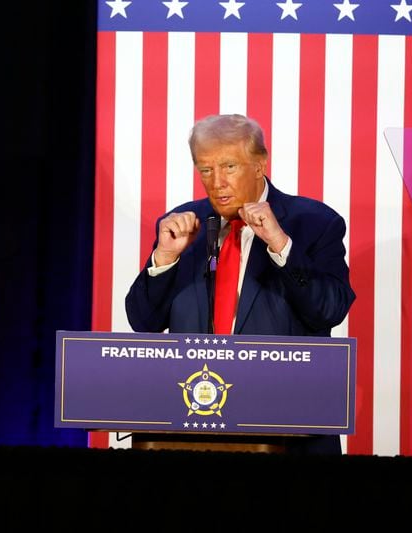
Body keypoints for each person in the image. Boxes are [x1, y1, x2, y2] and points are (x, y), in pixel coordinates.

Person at [125, 113, 356, 454]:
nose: (216, 182)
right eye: (205, 169)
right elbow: (144, 322)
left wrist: (280, 244)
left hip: (288, 429)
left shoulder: (314, 223)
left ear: (260, 164)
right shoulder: (183, 225)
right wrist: (164, 258)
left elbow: (329, 309)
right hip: (192, 430)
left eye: (229, 167)